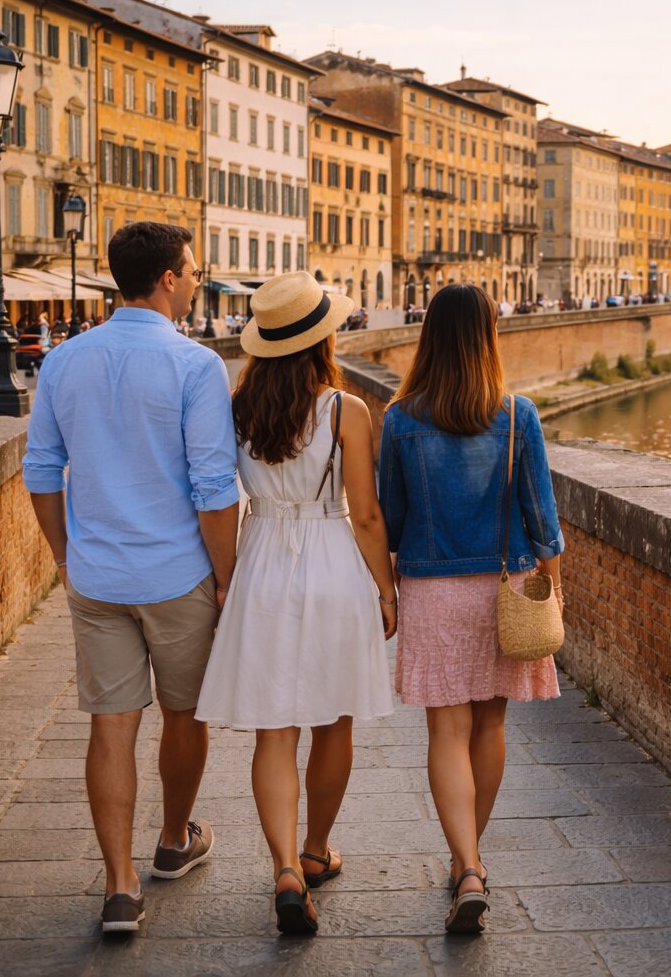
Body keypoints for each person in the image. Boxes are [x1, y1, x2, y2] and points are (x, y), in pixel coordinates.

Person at [23, 222, 237, 934]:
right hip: (178, 572)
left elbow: (40, 472)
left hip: (97, 574)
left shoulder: (63, 361)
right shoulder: (197, 366)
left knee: (110, 726)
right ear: (170, 280)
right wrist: (227, 575)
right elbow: (214, 487)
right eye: (195, 272)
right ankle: (174, 842)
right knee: (185, 713)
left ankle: (119, 890)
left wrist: (62, 555)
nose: (198, 281)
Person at [195, 272, 398, 935]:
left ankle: (283, 866)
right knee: (333, 719)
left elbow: (219, 496)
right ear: (322, 338)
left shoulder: (237, 408)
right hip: (332, 561)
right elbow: (365, 514)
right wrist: (386, 589)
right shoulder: (346, 410)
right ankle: (315, 850)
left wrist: (225, 579)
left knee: (273, 729)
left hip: (261, 564)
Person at [378, 284, 565, 935]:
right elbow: (543, 521)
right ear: (488, 337)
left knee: (446, 735)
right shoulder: (518, 415)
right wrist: (555, 587)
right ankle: (470, 864)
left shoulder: (401, 420)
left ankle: (465, 864)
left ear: (430, 335)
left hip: (432, 592)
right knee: (489, 730)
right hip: (504, 593)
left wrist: (385, 587)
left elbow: (390, 520)